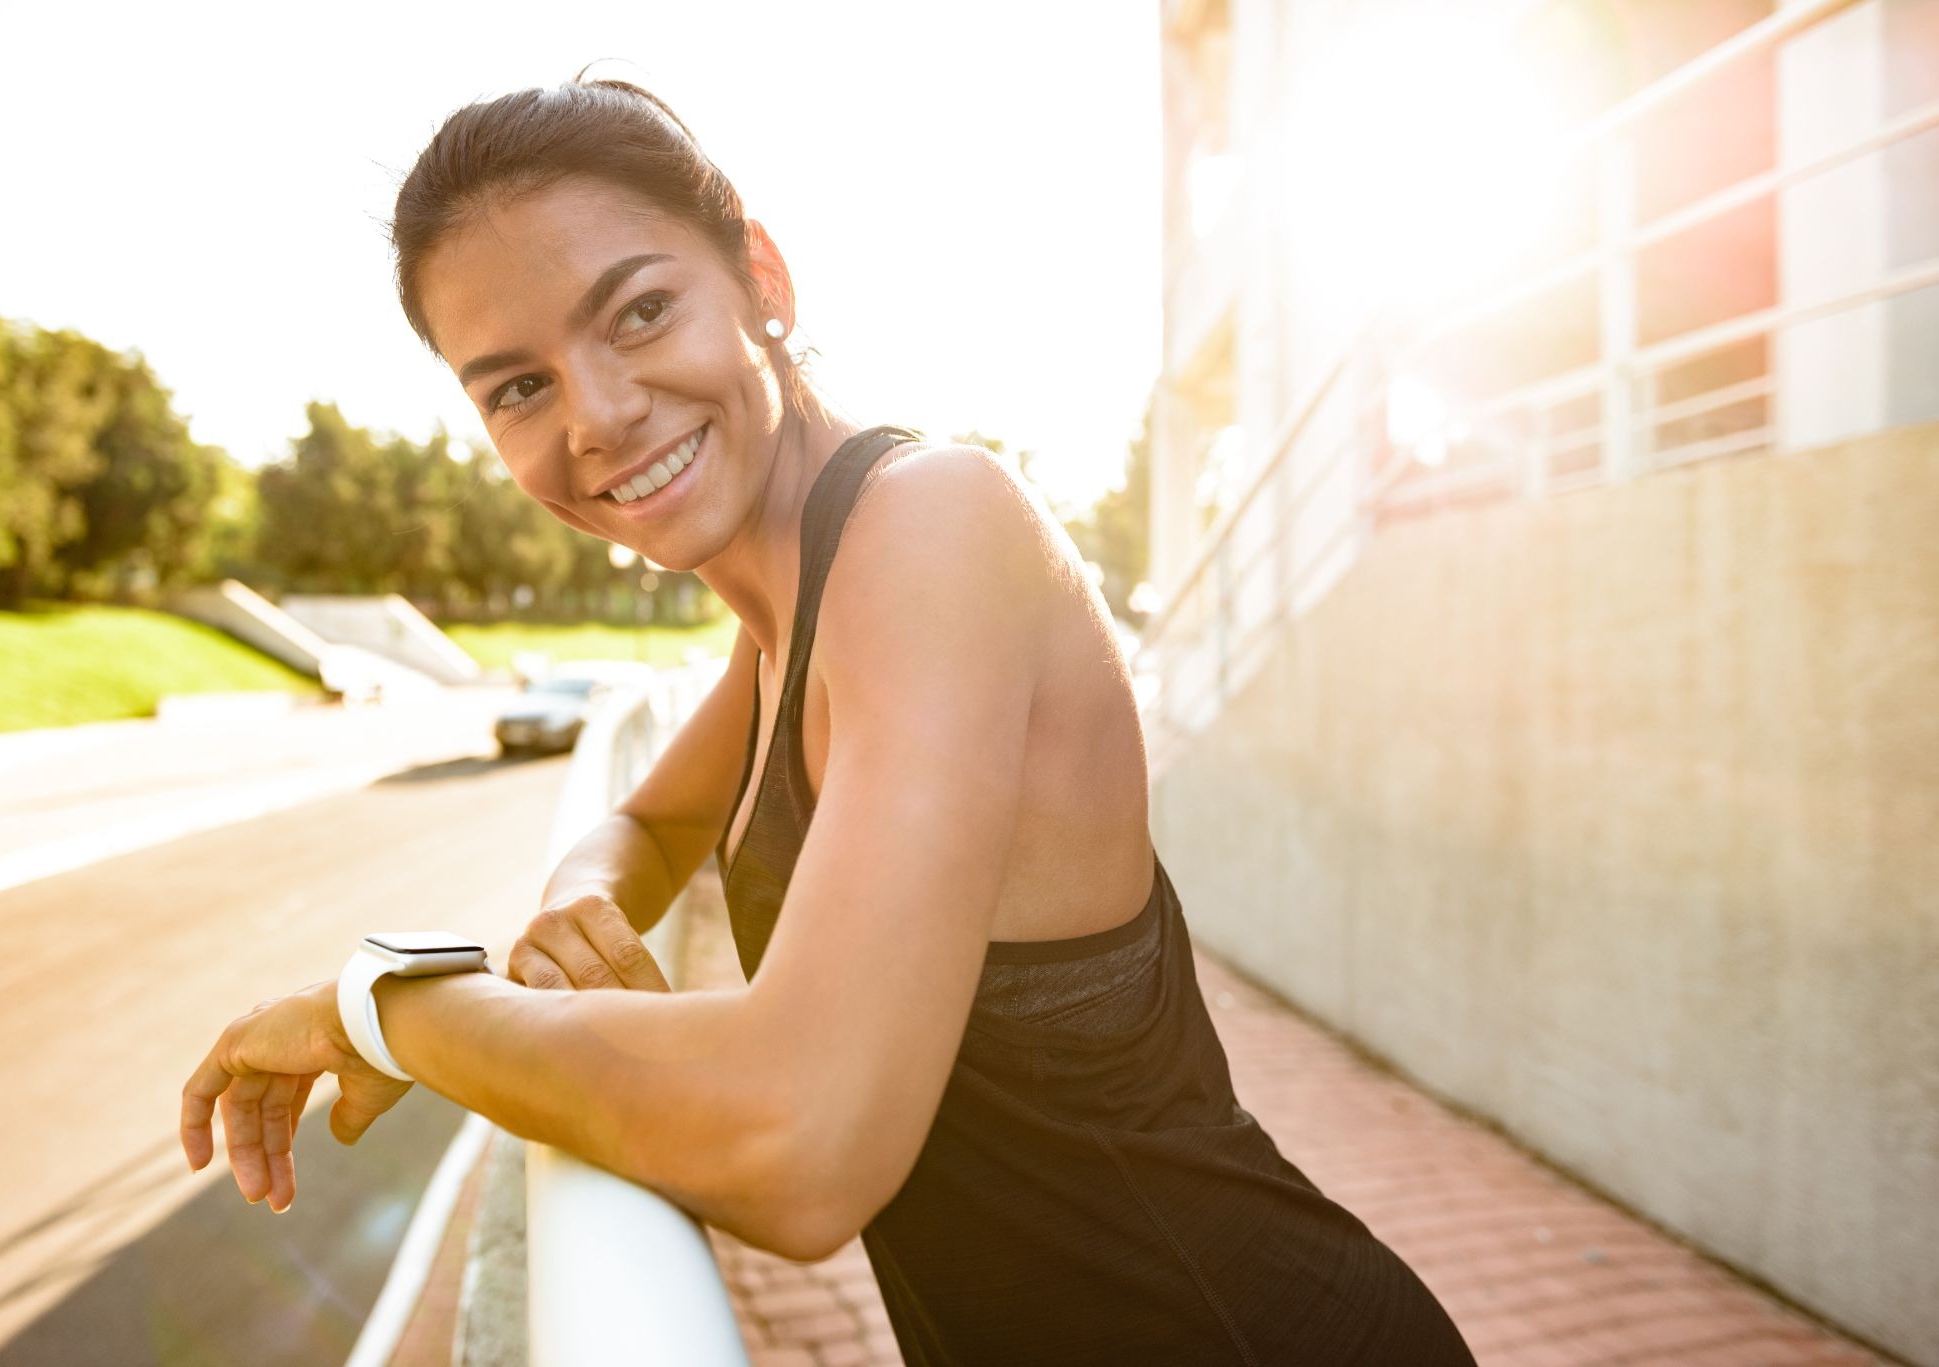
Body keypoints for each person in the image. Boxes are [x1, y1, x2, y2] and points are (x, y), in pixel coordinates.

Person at [177, 72, 1477, 1365]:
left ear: (761, 278)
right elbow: (645, 819)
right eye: (517, 387)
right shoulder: (781, 626)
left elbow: (805, 1148)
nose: (598, 413)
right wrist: (584, 898)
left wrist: (389, 1008)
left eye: (638, 311)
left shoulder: (931, 526)